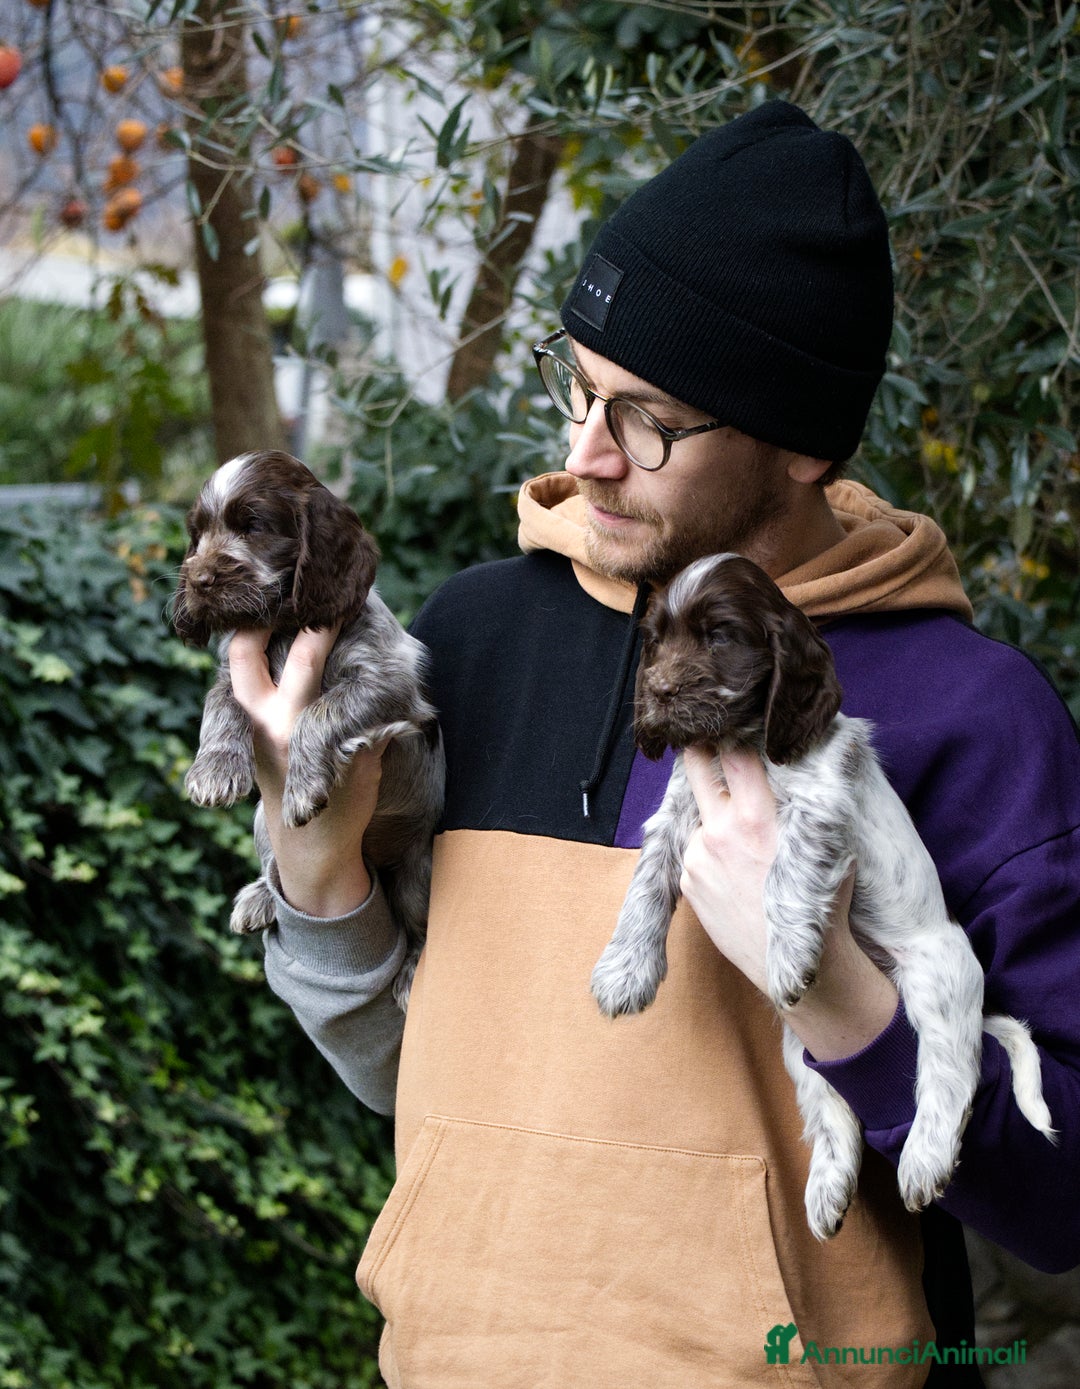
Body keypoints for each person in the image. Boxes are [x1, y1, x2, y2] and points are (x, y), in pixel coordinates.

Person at [227, 101, 1080, 1385]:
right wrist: (320, 868)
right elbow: (426, 1074)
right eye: (578, 390)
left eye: (647, 420)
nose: (583, 457)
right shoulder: (473, 637)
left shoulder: (975, 717)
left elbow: (1064, 1199)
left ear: (801, 443)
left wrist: (842, 1000)